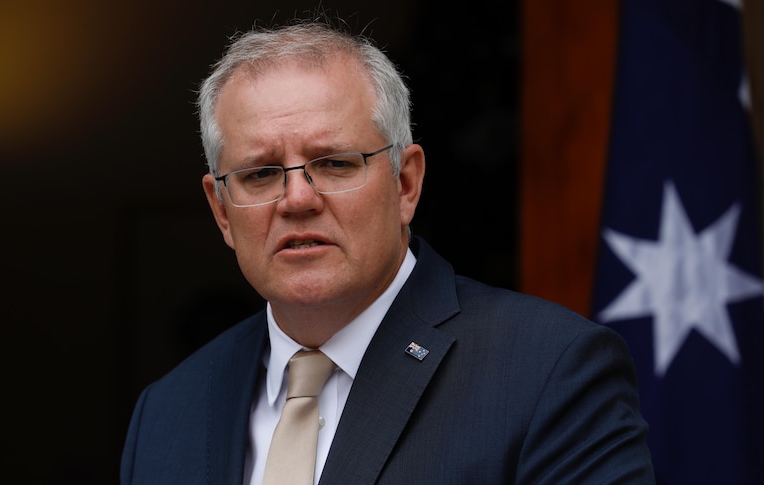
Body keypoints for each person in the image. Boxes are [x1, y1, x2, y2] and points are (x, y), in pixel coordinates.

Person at [120, 19, 655, 484]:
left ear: (405, 184)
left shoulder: (548, 370)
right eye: (260, 174)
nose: (298, 199)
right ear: (221, 210)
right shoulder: (169, 412)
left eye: (335, 163)